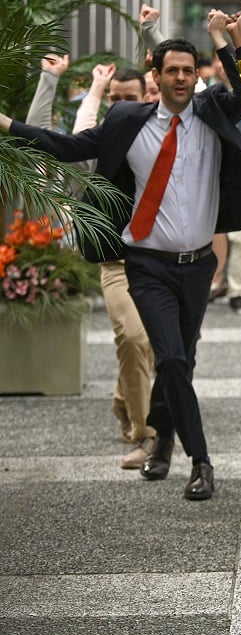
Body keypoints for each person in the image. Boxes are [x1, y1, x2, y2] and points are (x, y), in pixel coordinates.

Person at [1, 14, 241, 502]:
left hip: (197, 266)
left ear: (196, 76)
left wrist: (230, 37)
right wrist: (5, 124)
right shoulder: (125, 121)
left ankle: (163, 440)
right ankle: (202, 461)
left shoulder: (214, 112)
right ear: (155, 75)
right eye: (170, 70)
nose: (179, 78)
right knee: (171, 356)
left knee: (181, 363)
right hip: (145, 263)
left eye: (187, 71)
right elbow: (64, 147)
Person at [27, 59, 158, 465]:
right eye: (114, 101)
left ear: (148, 100)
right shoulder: (98, 144)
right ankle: (145, 432)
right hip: (117, 263)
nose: (121, 107)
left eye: (130, 99)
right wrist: (59, 80)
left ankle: (124, 398)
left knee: (154, 347)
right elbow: (43, 135)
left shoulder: (166, 138)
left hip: (163, 263)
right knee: (133, 339)